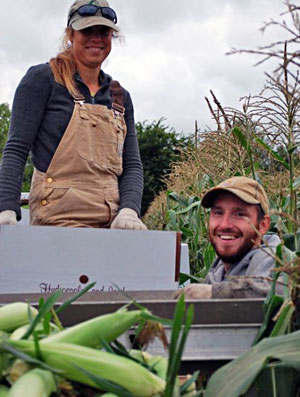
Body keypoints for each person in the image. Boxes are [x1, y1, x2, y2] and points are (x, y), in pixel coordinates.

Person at [0, 0, 146, 230]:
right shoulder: (42, 80)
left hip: (112, 225)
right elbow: (16, 149)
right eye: (87, 30)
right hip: (55, 221)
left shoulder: (120, 97)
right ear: (71, 34)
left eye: (104, 32)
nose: (96, 38)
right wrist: (6, 208)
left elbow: (132, 165)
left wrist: (129, 210)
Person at [174, 176, 282, 299]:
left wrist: (214, 293)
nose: (225, 224)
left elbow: (283, 290)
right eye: (218, 213)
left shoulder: (277, 260)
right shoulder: (219, 268)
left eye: (240, 214)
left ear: (263, 225)